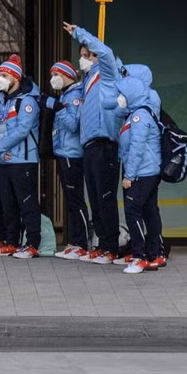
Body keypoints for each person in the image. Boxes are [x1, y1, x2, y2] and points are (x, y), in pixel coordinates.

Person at [64, 23, 123, 264]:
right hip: (89, 145)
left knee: (106, 197)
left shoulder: (107, 72)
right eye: (81, 56)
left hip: (105, 144)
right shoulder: (88, 81)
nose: (83, 60)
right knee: (96, 197)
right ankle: (101, 244)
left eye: (86, 56)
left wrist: (80, 34)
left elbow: (106, 52)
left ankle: (111, 247)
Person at [0, 55, 41, 258]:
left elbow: (22, 129)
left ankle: (32, 243)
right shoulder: (2, 100)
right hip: (4, 159)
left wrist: (0, 147)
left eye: (3, 75)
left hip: (23, 161)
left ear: (14, 78)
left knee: (26, 203)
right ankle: (11, 240)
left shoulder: (26, 101)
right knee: (7, 203)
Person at [45, 60, 89, 259]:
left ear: (67, 75)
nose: (53, 79)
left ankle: (82, 243)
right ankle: (74, 241)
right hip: (63, 153)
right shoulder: (65, 95)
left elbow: (73, 125)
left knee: (76, 200)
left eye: (56, 74)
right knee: (71, 201)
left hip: (72, 154)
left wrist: (58, 108)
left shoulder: (74, 96)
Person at [118, 82, 163, 274]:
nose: (119, 97)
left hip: (142, 173)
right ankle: (155, 254)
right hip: (149, 171)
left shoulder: (138, 116)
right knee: (150, 211)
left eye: (122, 94)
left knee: (132, 210)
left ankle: (139, 257)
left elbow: (137, 148)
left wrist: (129, 176)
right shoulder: (140, 113)